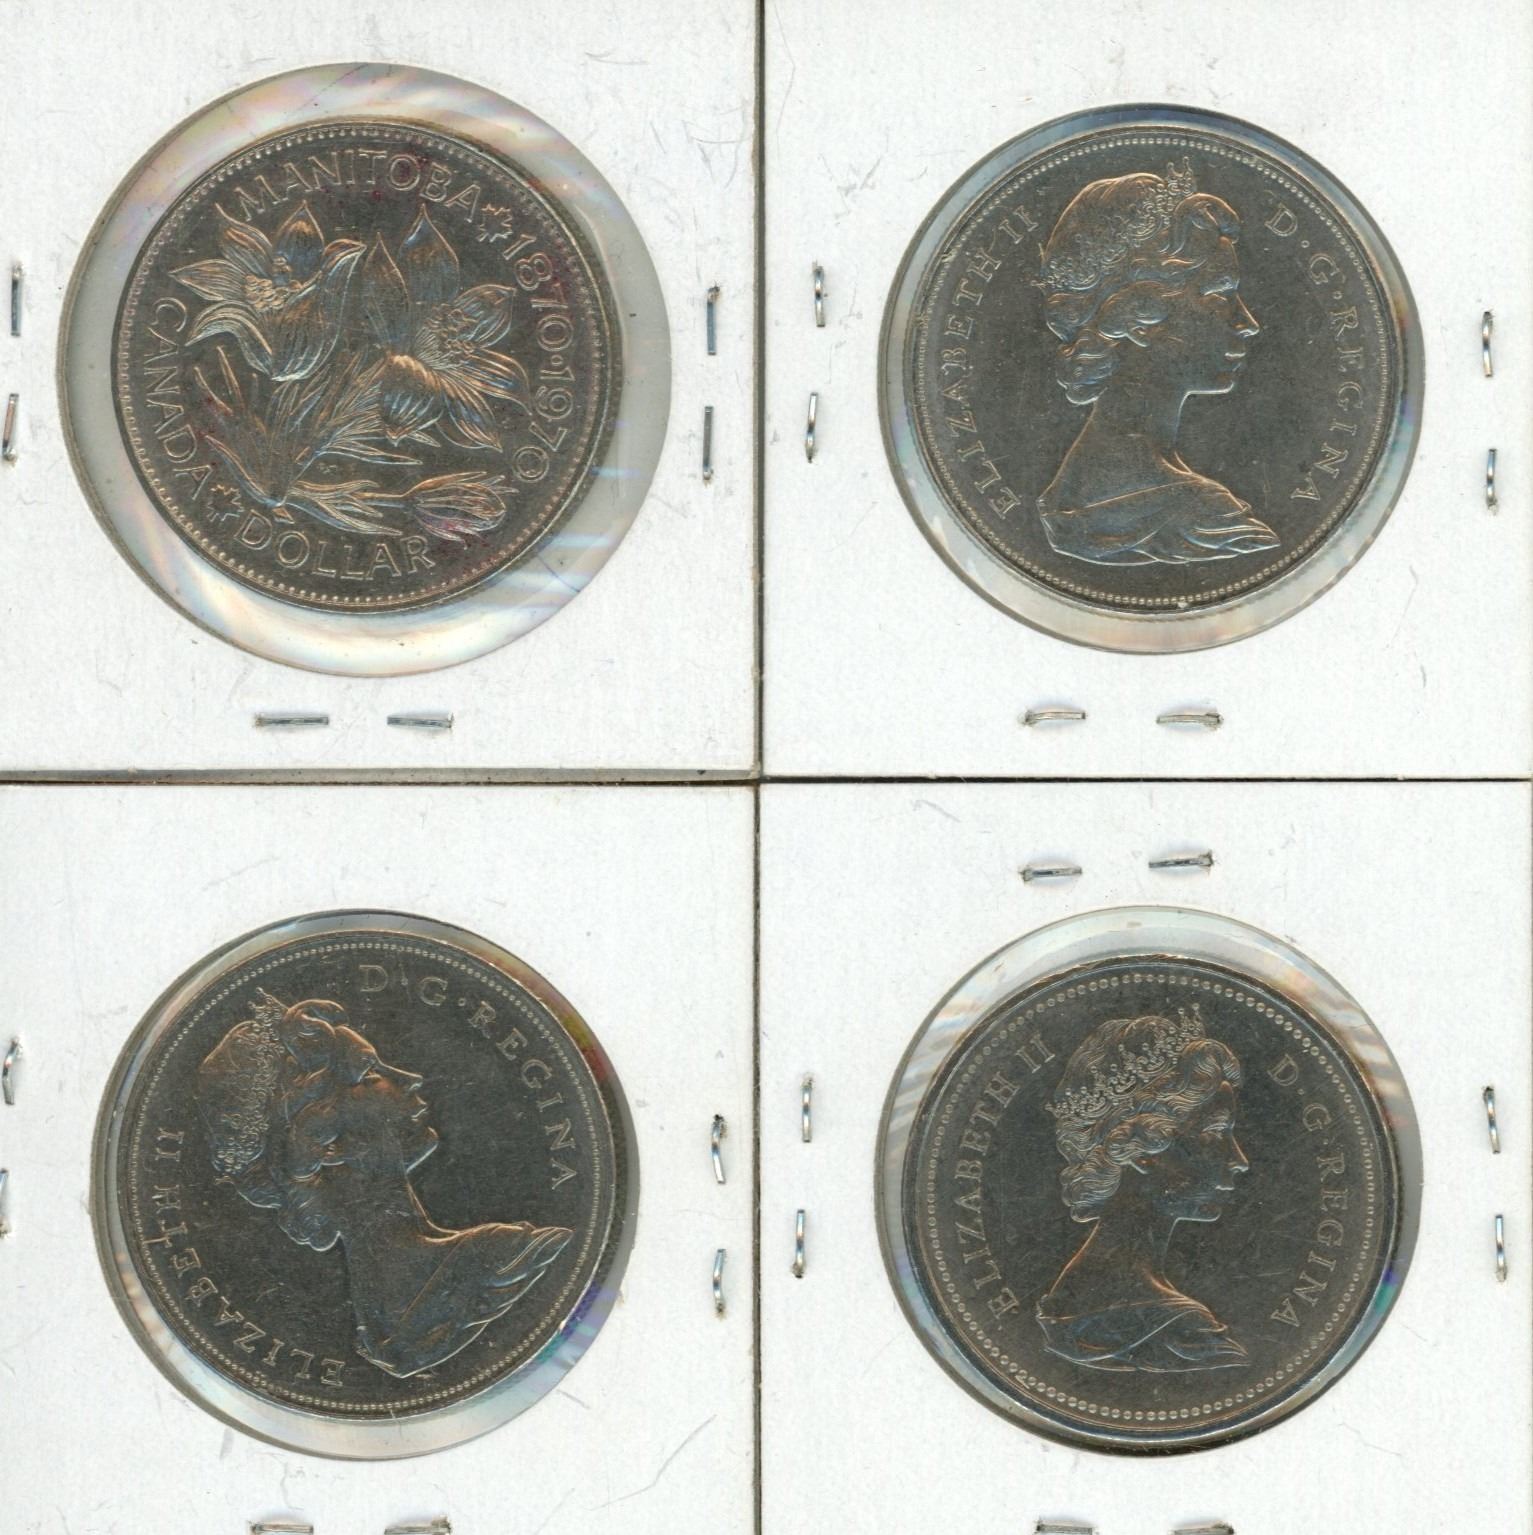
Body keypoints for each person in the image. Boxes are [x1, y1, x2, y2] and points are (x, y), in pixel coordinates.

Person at [196, 990, 572, 1379]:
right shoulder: (503, 1253)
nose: (410, 1079)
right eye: (371, 1072)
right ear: (325, 1137)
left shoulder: (380, 1338)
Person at [1034, 160, 1277, 567]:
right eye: (1219, 296)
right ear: (1138, 318)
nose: (1247, 323)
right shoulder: (1203, 515)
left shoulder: (1068, 496)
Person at [1037, 1005, 1250, 1372]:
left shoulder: (1063, 1302)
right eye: (1214, 1133)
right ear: (1142, 1152)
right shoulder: (1185, 1332)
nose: (1239, 1159)